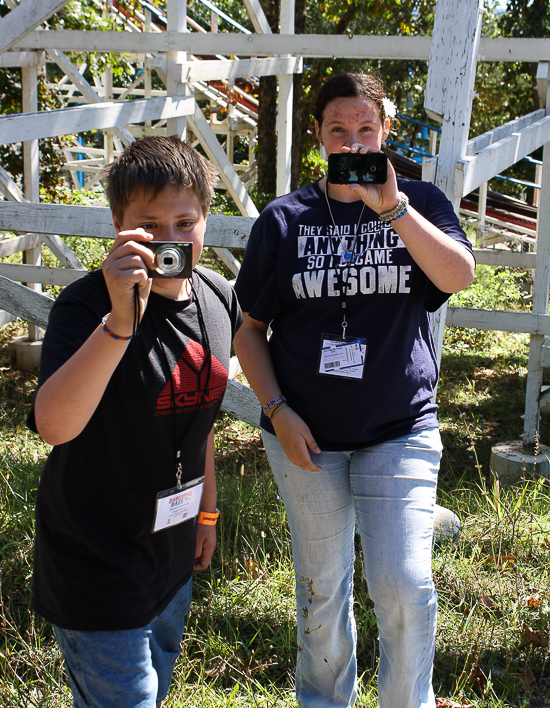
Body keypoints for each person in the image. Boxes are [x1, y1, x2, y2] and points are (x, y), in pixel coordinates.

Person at [233, 72, 475, 708]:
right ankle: (324, 701)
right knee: (321, 584)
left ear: (384, 132)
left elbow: (459, 274)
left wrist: (390, 208)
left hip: (400, 425)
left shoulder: (418, 201)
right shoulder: (284, 220)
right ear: (318, 136)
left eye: (366, 128)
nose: (353, 140)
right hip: (304, 434)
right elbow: (249, 330)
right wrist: (276, 410)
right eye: (338, 129)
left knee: (403, 582)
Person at [27, 136, 242, 708]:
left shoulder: (220, 301)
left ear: (206, 219)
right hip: (94, 560)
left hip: (170, 559)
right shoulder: (85, 306)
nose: (171, 237)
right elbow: (54, 425)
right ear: (118, 224)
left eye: (185, 220)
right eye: (150, 223)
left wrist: (207, 513)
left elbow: (203, 424)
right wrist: (120, 323)